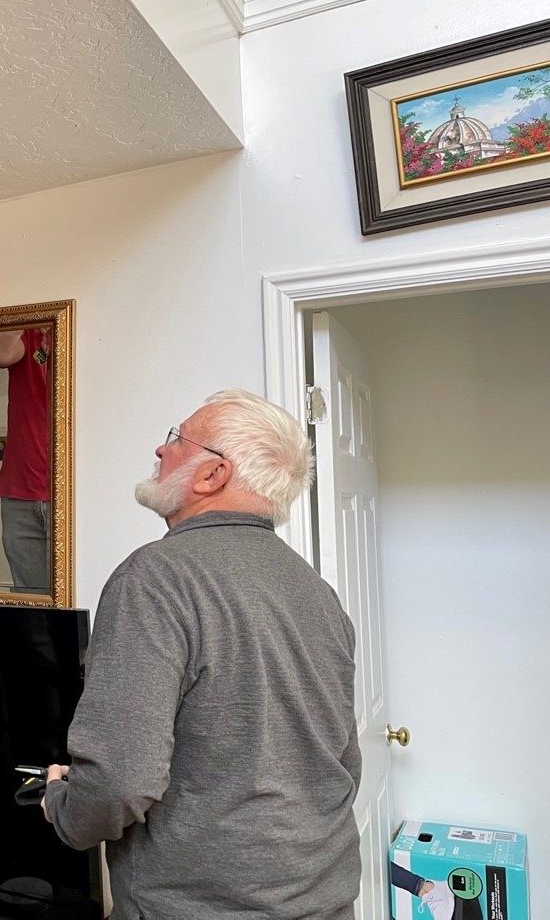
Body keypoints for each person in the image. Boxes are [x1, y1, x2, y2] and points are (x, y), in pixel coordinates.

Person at [41, 388, 361, 920]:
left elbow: (121, 779)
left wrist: (66, 810)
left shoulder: (155, 577)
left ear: (212, 475)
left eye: (177, 439)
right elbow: (342, 760)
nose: (161, 451)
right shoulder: (315, 590)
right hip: (324, 899)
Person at [0, 328, 51, 593]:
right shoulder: (27, 328)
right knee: (30, 602)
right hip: (20, 491)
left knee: (82, 593)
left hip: (73, 490)